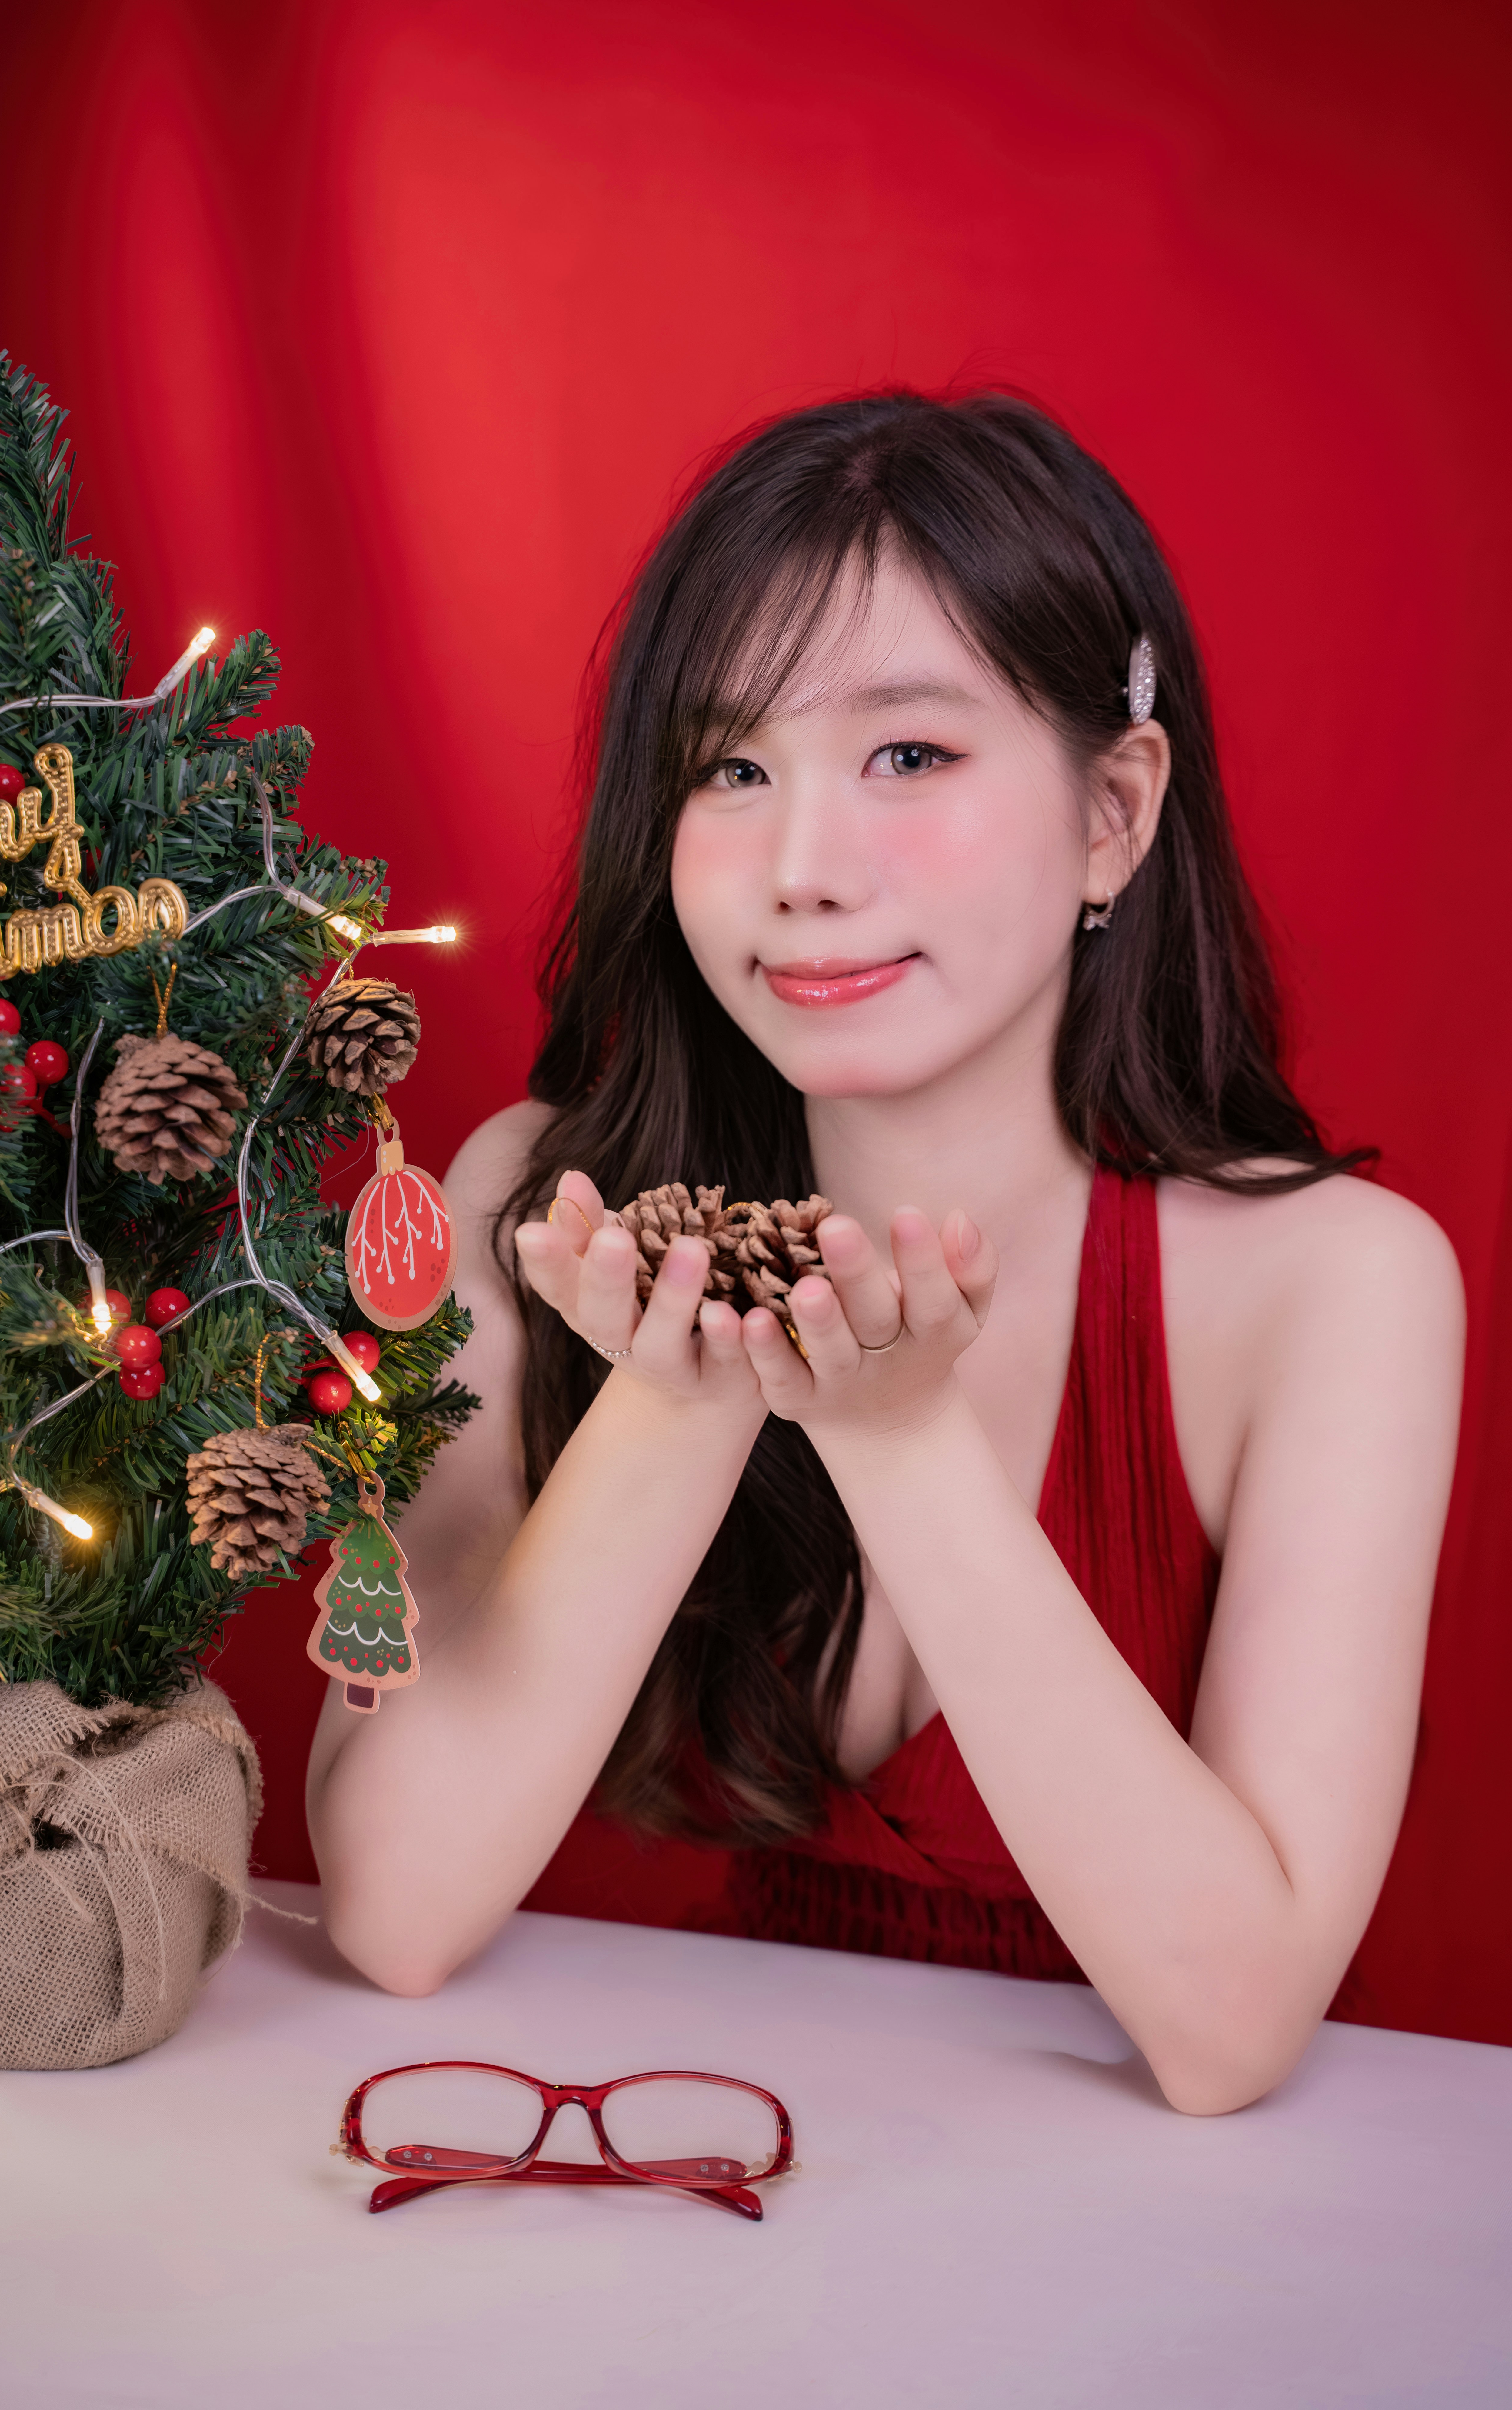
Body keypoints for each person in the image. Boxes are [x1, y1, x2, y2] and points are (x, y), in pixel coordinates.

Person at [306, 393, 1462, 2115]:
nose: (803, 869)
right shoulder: (520, 1207)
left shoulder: (1335, 1286)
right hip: (665, 2191)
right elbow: (396, 1907)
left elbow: (1230, 2032)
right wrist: (681, 1393)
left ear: (1111, 812)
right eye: (729, 767)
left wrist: (890, 1428)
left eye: (908, 756)